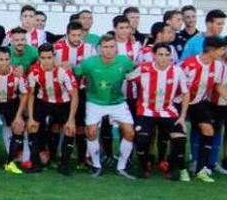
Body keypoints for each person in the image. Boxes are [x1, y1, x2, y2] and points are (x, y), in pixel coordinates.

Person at [75, 35, 137, 178]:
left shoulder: (124, 61)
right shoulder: (89, 63)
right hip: (95, 102)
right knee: (91, 132)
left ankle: (121, 167)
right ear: (99, 49)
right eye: (105, 47)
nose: (108, 50)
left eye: (111, 47)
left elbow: (135, 69)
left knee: (130, 133)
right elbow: (76, 71)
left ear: (116, 48)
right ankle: (96, 165)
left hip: (117, 102)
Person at [128, 43, 191, 181]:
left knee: (180, 139)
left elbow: (186, 94)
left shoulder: (177, 71)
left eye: (167, 55)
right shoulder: (143, 68)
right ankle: (144, 166)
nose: (164, 58)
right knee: (142, 139)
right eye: (160, 55)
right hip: (146, 111)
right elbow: (127, 77)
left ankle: (171, 168)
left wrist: (182, 117)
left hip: (168, 111)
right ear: (154, 56)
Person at [180, 37, 227, 183]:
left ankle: (201, 169)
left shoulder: (219, 66)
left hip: (199, 103)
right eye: (222, 49)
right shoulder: (188, 64)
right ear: (212, 50)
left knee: (209, 131)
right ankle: (179, 168)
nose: (224, 52)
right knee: (178, 135)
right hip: (179, 102)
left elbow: (218, 86)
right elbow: (179, 88)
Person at [26, 43, 78, 175]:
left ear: (54, 56)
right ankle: (36, 163)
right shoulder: (34, 71)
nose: (46, 61)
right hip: (43, 101)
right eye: (43, 58)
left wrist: (71, 119)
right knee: (32, 126)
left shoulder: (63, 72)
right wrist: (31, 117)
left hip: (63, 103)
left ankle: (64, 165)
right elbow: (31, 94)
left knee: (69, 129)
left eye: (49, 57)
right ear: (39, 58)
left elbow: (74, 96)